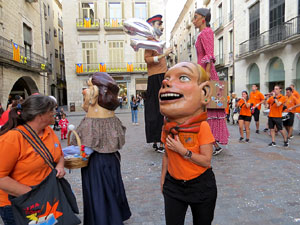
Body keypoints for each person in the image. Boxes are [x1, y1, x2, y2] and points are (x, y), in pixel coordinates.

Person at [159, 62, 217, 225]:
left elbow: (206, 161)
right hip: (173, 186)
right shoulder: (168, 127)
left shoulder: (202, 127)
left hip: (201, 186)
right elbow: (166, 155)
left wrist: (183, 151)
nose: (166, 82)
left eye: (183, 77)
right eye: (167, 78)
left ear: (204, 92)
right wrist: (164, 181)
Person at [70, 72, 131, 225]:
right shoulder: (113, 120)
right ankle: (114, 217)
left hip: (95, 163)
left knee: (98, 194)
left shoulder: (90, 122)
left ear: (96, 92)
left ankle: (102, 220)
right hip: (112, 160)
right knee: (112, 190)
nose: (85, 91)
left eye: (88, 86)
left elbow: (76, 143)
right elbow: (119, 141)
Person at [0, 95, 65, 225]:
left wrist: (60, 166)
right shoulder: (12, 138)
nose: (55, 113)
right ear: (40, 114)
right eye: (52, 110)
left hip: (46, 201)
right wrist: (34, 195)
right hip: (18, 204)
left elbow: (59, 155)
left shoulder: (48, 131)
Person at [192, 8, 229, 156]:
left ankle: (213, 142)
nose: (193, 20)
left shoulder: (207, 32)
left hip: (207, 74)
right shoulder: (202, 33)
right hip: (202, 72)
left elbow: (209, 55)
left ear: (203, 19)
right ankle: (211, 142)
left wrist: (206, 75)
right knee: (204, 109)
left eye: (195, 17)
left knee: (208, 108)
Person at [144, 14, 172, 153]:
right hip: (155, 77)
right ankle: (159, 142)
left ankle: (158, 141)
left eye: (161, 23)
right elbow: (147, 59)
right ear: (152, 26)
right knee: (157, 109)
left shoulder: (157, 41)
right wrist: (164, 54)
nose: (162, 26)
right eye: (159, 24)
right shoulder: (150, 41)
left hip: (162, 75)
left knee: (161, 108)